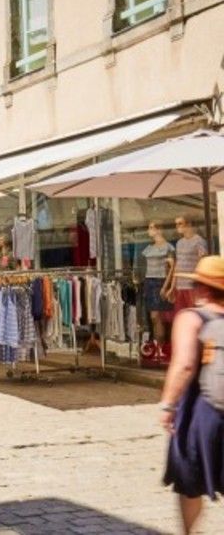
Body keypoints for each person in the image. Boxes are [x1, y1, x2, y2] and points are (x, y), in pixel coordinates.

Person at [161, 255, 224, 534]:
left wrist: (168, 405)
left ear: (201, 287)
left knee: (190, 479)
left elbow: (184, 365)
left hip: (205, 412)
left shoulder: (192, 317)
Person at [142, 220, 176, 364]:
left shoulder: (168, 248)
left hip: (161, 281)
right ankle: (158, 347)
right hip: (149, 281)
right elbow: (144, 266)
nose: (149, 231)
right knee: (153, 317)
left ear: (158, 229)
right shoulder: (148, 248)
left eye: (151, 228)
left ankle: (163, 347)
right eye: (149, 228)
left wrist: (166, 286)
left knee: (160, 316)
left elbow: (173, 268)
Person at [167, 216, 209, 315]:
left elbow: (203, 261)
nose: (177, 226)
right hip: (180, 287)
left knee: (195, 315)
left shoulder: (199, 241)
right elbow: (178, 265)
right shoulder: (179, 243)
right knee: (181, 315)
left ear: (189, 224)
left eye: (180, 223)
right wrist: (172, 287)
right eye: (176, 224)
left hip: (192, 286)